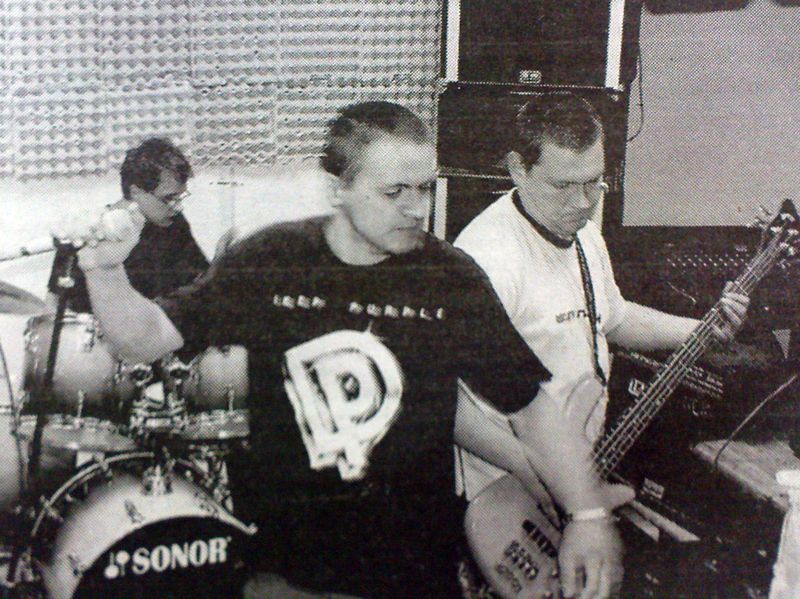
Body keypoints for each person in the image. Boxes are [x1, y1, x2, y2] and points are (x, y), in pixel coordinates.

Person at [55, 101, 556, 598]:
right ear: (338, 187)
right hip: (293, 571)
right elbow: (143, 339)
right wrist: (104, 268)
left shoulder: (448, 276)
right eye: (394, 191)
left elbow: (511, 402)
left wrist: (573, 498)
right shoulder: (271, 261)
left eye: (424, 188)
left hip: (412, 569)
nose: (415, 207)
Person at [454, 92, 750, 595]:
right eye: (564, 185)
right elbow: (451, 407)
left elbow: (612, 318)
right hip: (510, 499)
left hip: (579, 477)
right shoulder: (486, 261)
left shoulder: (584, 234)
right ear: (517, 169)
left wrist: (699, 329)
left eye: (594, 182)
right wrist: (541, 473)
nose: (583, 203)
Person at [47, 137, 210, 312]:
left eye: (180, 197)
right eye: (169, 198)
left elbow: (202, 282)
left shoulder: (173, 224)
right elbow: (53, 305)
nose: (178, 207)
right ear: (136, 191)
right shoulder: (88, 232)